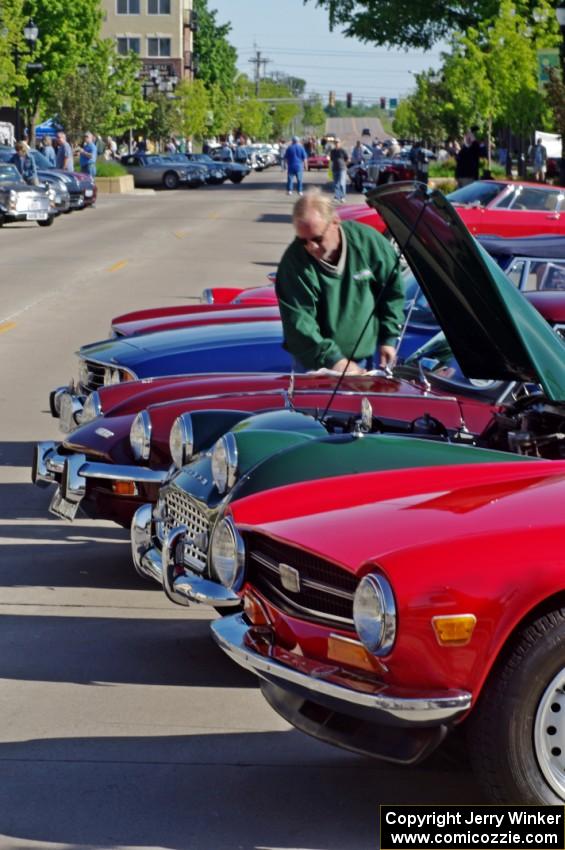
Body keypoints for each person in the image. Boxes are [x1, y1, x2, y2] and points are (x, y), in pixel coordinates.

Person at [275, 188, 405, 373]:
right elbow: (299, 323)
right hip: (316, 365)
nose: (311, 246)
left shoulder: (368, 243)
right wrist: (335, 361)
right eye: (303, 240)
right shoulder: (294, 263)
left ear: (335, 222)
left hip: (364, 358)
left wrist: (389, 338)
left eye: (317, 238)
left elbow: (392, 290)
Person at [330, 138, 348, 203]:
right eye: (335, 142)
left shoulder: (342, 150)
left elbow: (347, 158)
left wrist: (344, 165)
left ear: (340, 143)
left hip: (342, 169)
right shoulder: (332, 151)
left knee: (342, 183)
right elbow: (332, 159)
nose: (336, 143)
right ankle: (337, 197)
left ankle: (343, 197)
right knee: (336, 184)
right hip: (335, 169)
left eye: (337, 142)